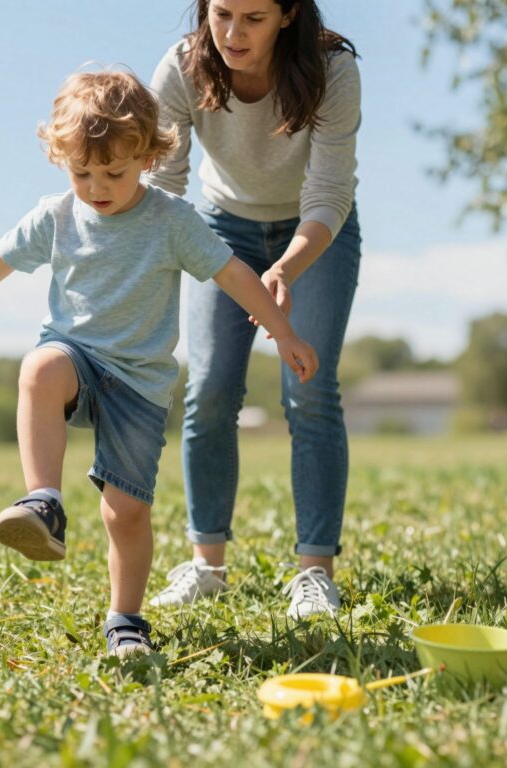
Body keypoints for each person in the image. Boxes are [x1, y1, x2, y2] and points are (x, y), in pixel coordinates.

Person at [0, 71, 319, 658]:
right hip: (78, 359)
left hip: (139, 385)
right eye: (81, 172)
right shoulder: (57, 216)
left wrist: (283, 330)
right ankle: (43, 500)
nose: (96, 187)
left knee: (127, 513)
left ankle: (126, 619)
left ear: (146, 154)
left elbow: (232, 273)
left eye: (113, 172)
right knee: (39, 369)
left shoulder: (171, 221)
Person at [146, 0, 362, 619]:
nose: (233, 34)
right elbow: (163, 185)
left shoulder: (332, 70)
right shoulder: (184, 68)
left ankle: (314, 573)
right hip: (220, 228)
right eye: (222, 13)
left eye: (255, 18)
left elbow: (328, 190)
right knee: (209, 388)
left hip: (316, 230)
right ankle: (206, 566)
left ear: (289, 14)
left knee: (310, 390)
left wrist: (285, 269)